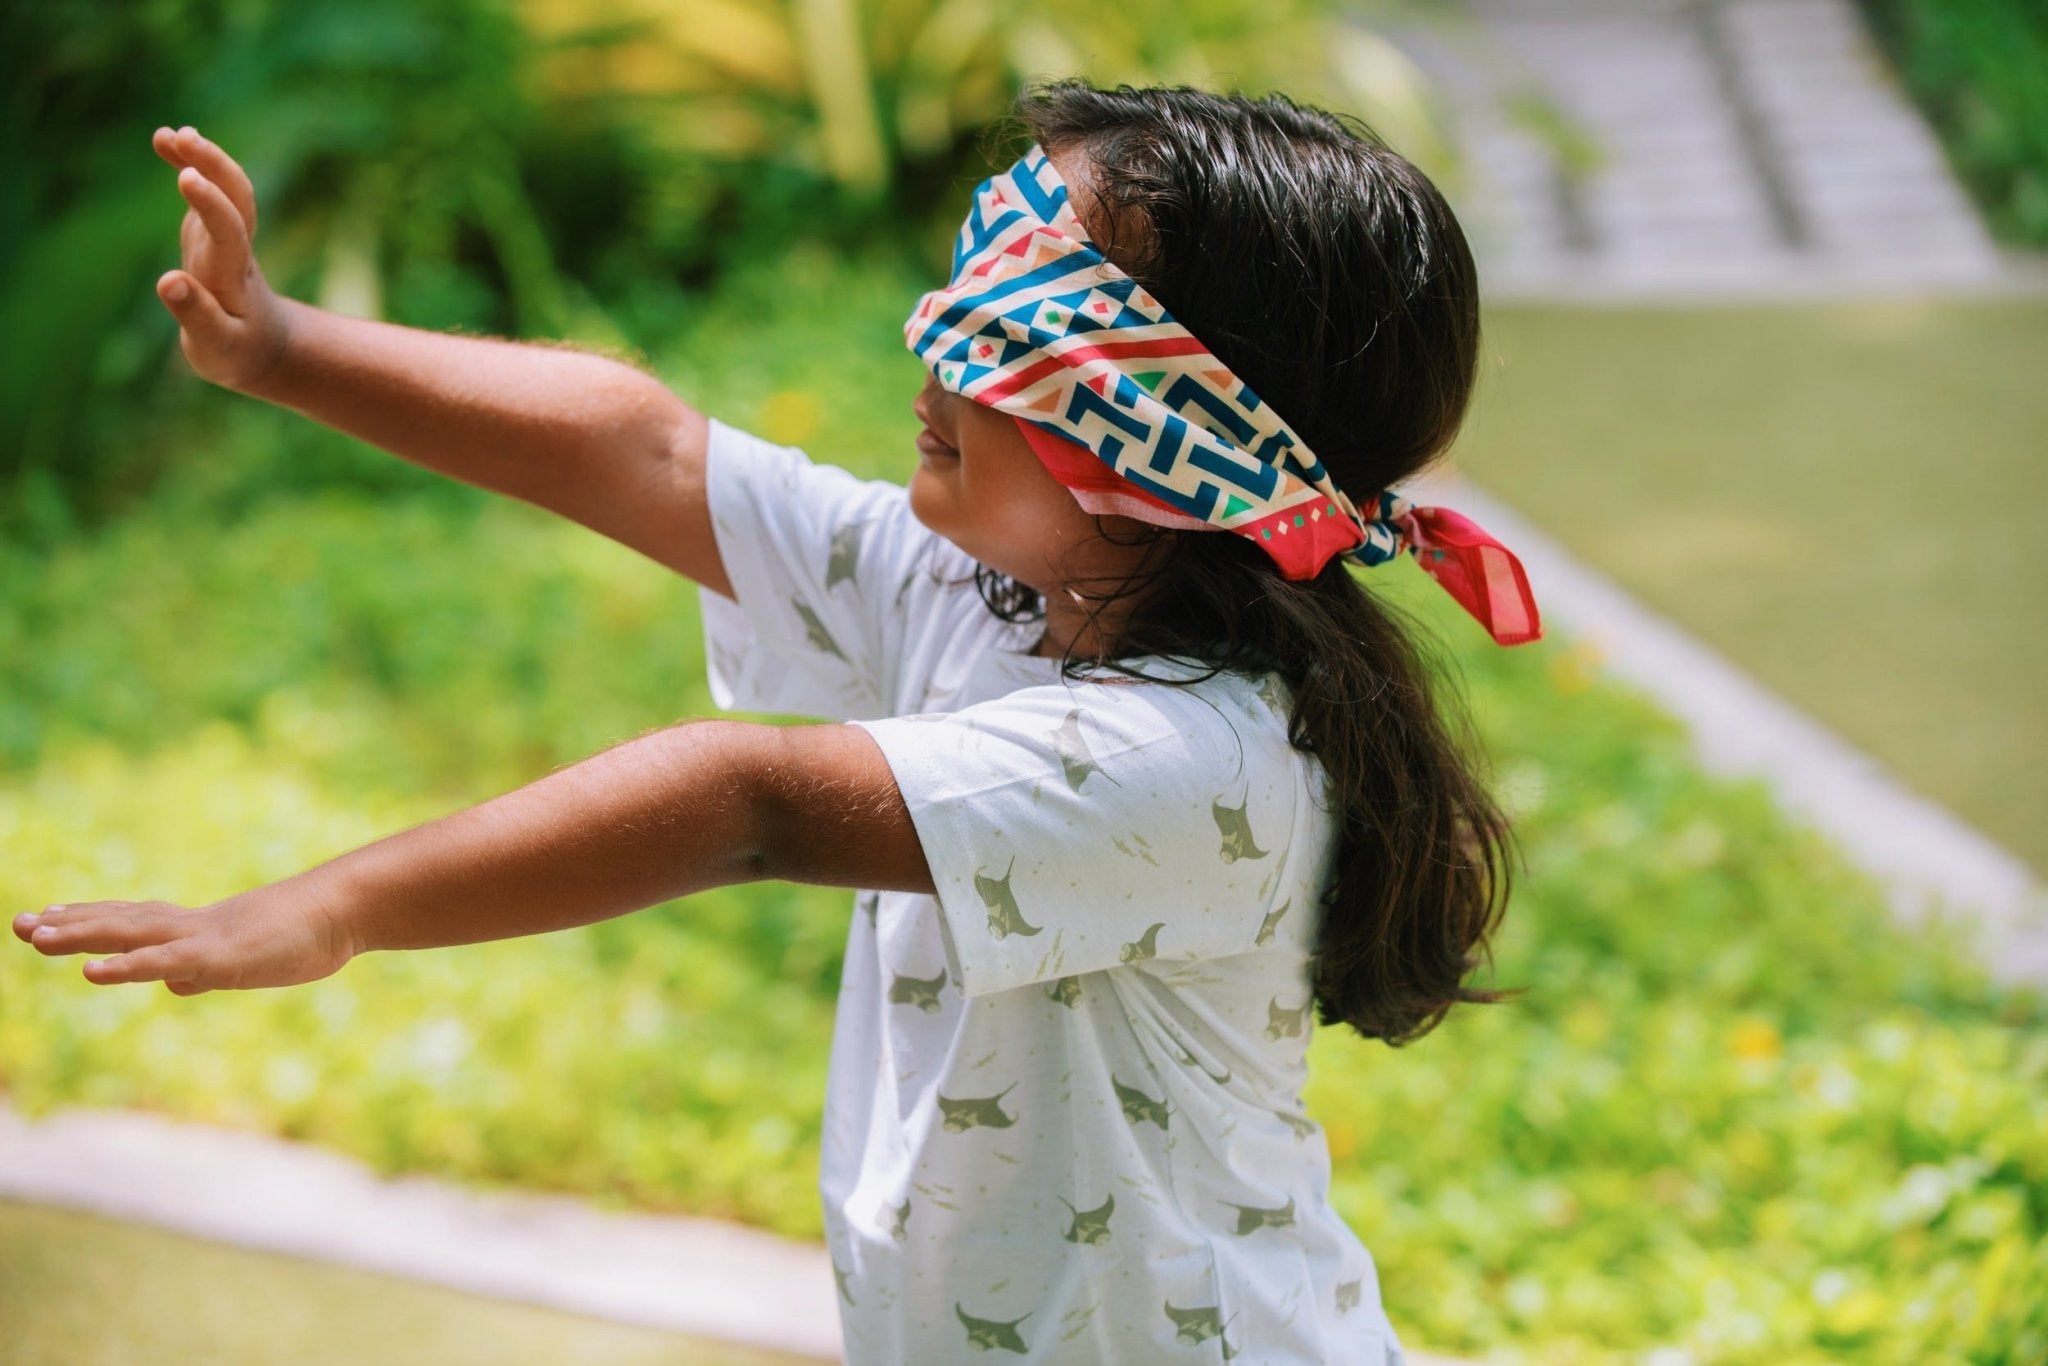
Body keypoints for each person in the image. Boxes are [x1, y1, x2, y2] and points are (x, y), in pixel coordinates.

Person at [13, 79, 1541, 1363]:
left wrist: (334, 907)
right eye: (969, 273)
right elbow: (655, 457)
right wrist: (282, 346)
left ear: (1172, 439)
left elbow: (745, 799)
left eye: (1016, 324)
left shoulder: (1192, 759)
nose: (937, 340)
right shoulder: (999, 598)